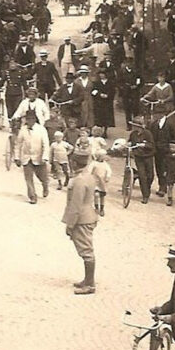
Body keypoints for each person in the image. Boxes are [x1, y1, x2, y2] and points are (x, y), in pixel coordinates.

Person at [62, 152, 97, 295]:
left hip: (81, 219)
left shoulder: (79, 180)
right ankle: (87, 280)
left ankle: (89, 284)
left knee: (86, 251)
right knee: (86, 249)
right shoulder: (88, 176)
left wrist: (70, 224)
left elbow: (75, 205)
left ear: (75, 163)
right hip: (89, 215)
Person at [15, 111, 50, 204]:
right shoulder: (23, 130)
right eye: (28, 119)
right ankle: (32, 196)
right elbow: (18, 144)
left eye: (31, 119)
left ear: (35, 119)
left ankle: (45, 186)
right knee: (28, 178)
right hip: (27, 157)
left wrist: (45, 157)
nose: (29, 121)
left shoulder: (41, 129)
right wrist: (17, 157)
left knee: (42, 177)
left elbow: (46, 144)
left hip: (39, 157)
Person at [149, 115, 175, 198]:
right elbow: (151, 137)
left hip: (167, 152)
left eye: (158, 113)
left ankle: (164, 187)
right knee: (158, 168)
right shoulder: (154, 125)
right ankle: (161, 185)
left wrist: (172, 147)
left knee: (166, 169)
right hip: (157, 151)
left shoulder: (170, 124)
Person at [128, 122, 156, 204]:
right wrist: (129, 144)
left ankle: (147, 188)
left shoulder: (148, 134)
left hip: (148, 156)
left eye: (135, 126)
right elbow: (130, 142)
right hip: (138, 157)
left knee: (150, 175)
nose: (133, 127)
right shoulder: (133, 134)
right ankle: (145, 195)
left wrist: (144, 145)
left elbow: (152, 145)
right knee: (142, 176)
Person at [91, 69, 116, 136]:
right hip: (99, 102)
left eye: (103, 74)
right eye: (100, 74)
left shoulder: (110, 83)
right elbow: (93, 91)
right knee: (99, 117)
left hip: (107, 102)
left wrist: (108, 95)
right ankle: (99, 131)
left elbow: (113, 91)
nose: (101, 75)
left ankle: (105, 131)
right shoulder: (96, 83)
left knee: (107, 117)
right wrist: (99, 94)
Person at [90, 149, 112, 216]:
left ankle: (102, 208)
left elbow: (109, 171)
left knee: (102, 196)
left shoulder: (105, 164)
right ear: (99, 156)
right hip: (95, 181)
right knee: (96, 195)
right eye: (103, 156)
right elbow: (89, 170)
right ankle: (96, 207)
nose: (105, 157)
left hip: (102, 182)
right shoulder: (94, 163)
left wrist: (108, 176)